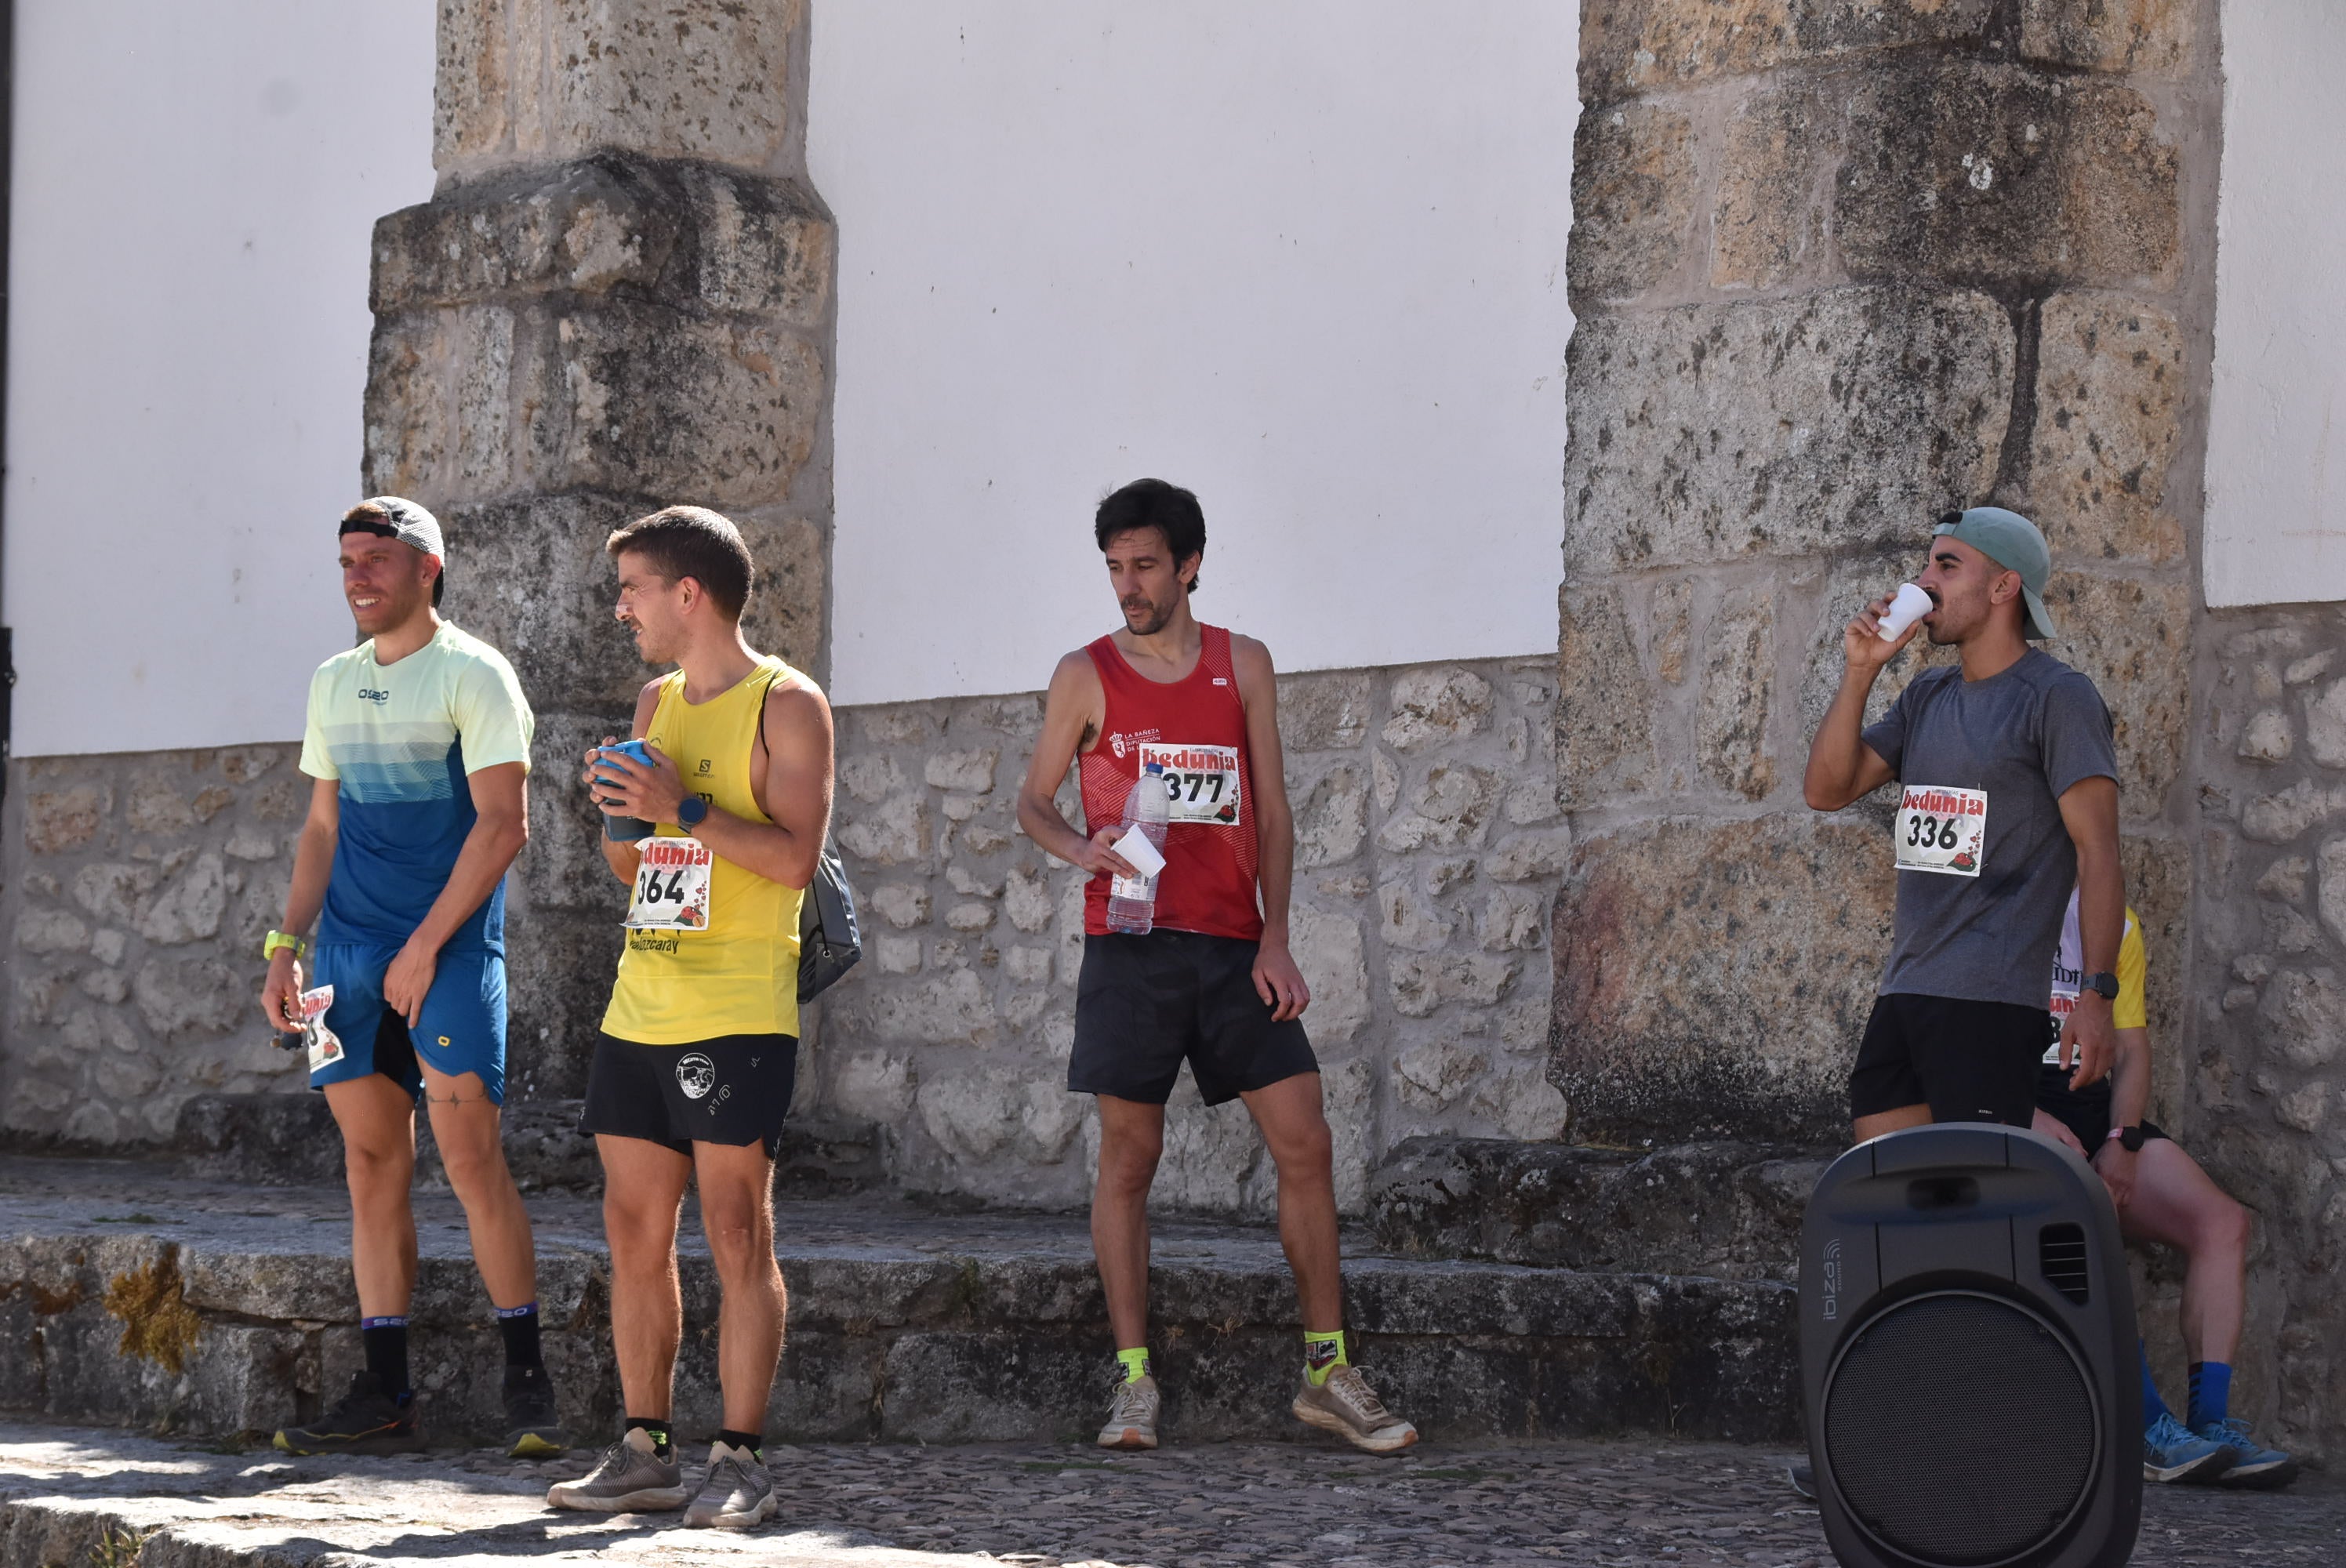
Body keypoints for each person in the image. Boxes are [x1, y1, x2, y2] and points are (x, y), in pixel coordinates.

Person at [1012, 477, 1416, 1456]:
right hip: (1131, 948)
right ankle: (1133, 1378)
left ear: (1190, 563)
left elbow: (1270, 812)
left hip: (1236, 948)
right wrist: (1080, 850)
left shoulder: (1244, 663)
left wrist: (1276, 936)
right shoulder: (1085, 671)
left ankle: (1326, 1369)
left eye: (1145, 564)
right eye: (1114, 566)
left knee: (1306, 1137)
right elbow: (1032, 801)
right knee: (1129, 1160)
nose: (1128, 585)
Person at [546, 506, 833, 1530]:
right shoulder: (654, 698)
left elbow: (796, 861)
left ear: (687, 596)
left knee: (734, 1230)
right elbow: (636, 865)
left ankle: (744, 1458)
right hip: (643, 1003)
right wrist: (622, 814)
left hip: (736, 1010)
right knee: (632, 1229)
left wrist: (683, 808)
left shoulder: (787, 706)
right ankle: (643, 1452)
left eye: (632, 589)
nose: (620, 608)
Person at [259, 498, 561, 1458]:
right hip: (346, 955)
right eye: (346, 560)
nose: (357, 577)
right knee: (368, 1164)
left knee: (471, 1160)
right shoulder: (331, 681)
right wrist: (282, 943)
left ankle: (529, 1384)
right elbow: (320, 829)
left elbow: (502, 825)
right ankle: (386, 1394)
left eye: (377, 559)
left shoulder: (475, 673)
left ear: (429, 567)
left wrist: (429, 942)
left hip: (450, 948)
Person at [1803, 506, 2124, 1141]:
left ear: (2005, 587)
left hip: (1992, 1001)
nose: (1924, 582)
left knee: (1973, 1207)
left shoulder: (2058, 697)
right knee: (1892, 1197)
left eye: (1946, 566)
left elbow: (2100, 853)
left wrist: (2097, 995)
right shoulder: (1926, 696)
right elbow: (1826, 789)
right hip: (1906, 989)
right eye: (1928, 564)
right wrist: (1861, 670)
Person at [2034, 892, 2297, 1489]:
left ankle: (2211, 1426)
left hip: (2097, 1114)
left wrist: (2123, 1139)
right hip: (2015, 1111)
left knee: (2223, 1223)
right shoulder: (2004, 902)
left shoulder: (2114, 922)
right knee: (2085, 1211)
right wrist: (2018, 1116)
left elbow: (2131, 1046)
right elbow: (1960, 1043)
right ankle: (2148, 1426)